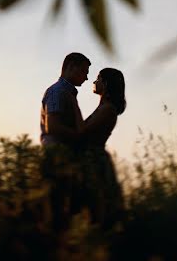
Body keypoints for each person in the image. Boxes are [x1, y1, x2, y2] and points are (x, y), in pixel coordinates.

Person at [40, 51, 91, 227]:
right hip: (57, 157)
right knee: (59, 210)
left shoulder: (67, 93)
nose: (86, 78)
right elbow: (52, 127)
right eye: (84, 72)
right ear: (71, 67)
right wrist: (79, 137)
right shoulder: (57, 91)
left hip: (64, 158)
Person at [79, 67, 126, 228]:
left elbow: (83, 131)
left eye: (98, 78)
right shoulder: (104, 107)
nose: (94, 81)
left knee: (99, 208)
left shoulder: (107, 109)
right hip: (91, 157)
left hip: (94, 159)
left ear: (105, 84)